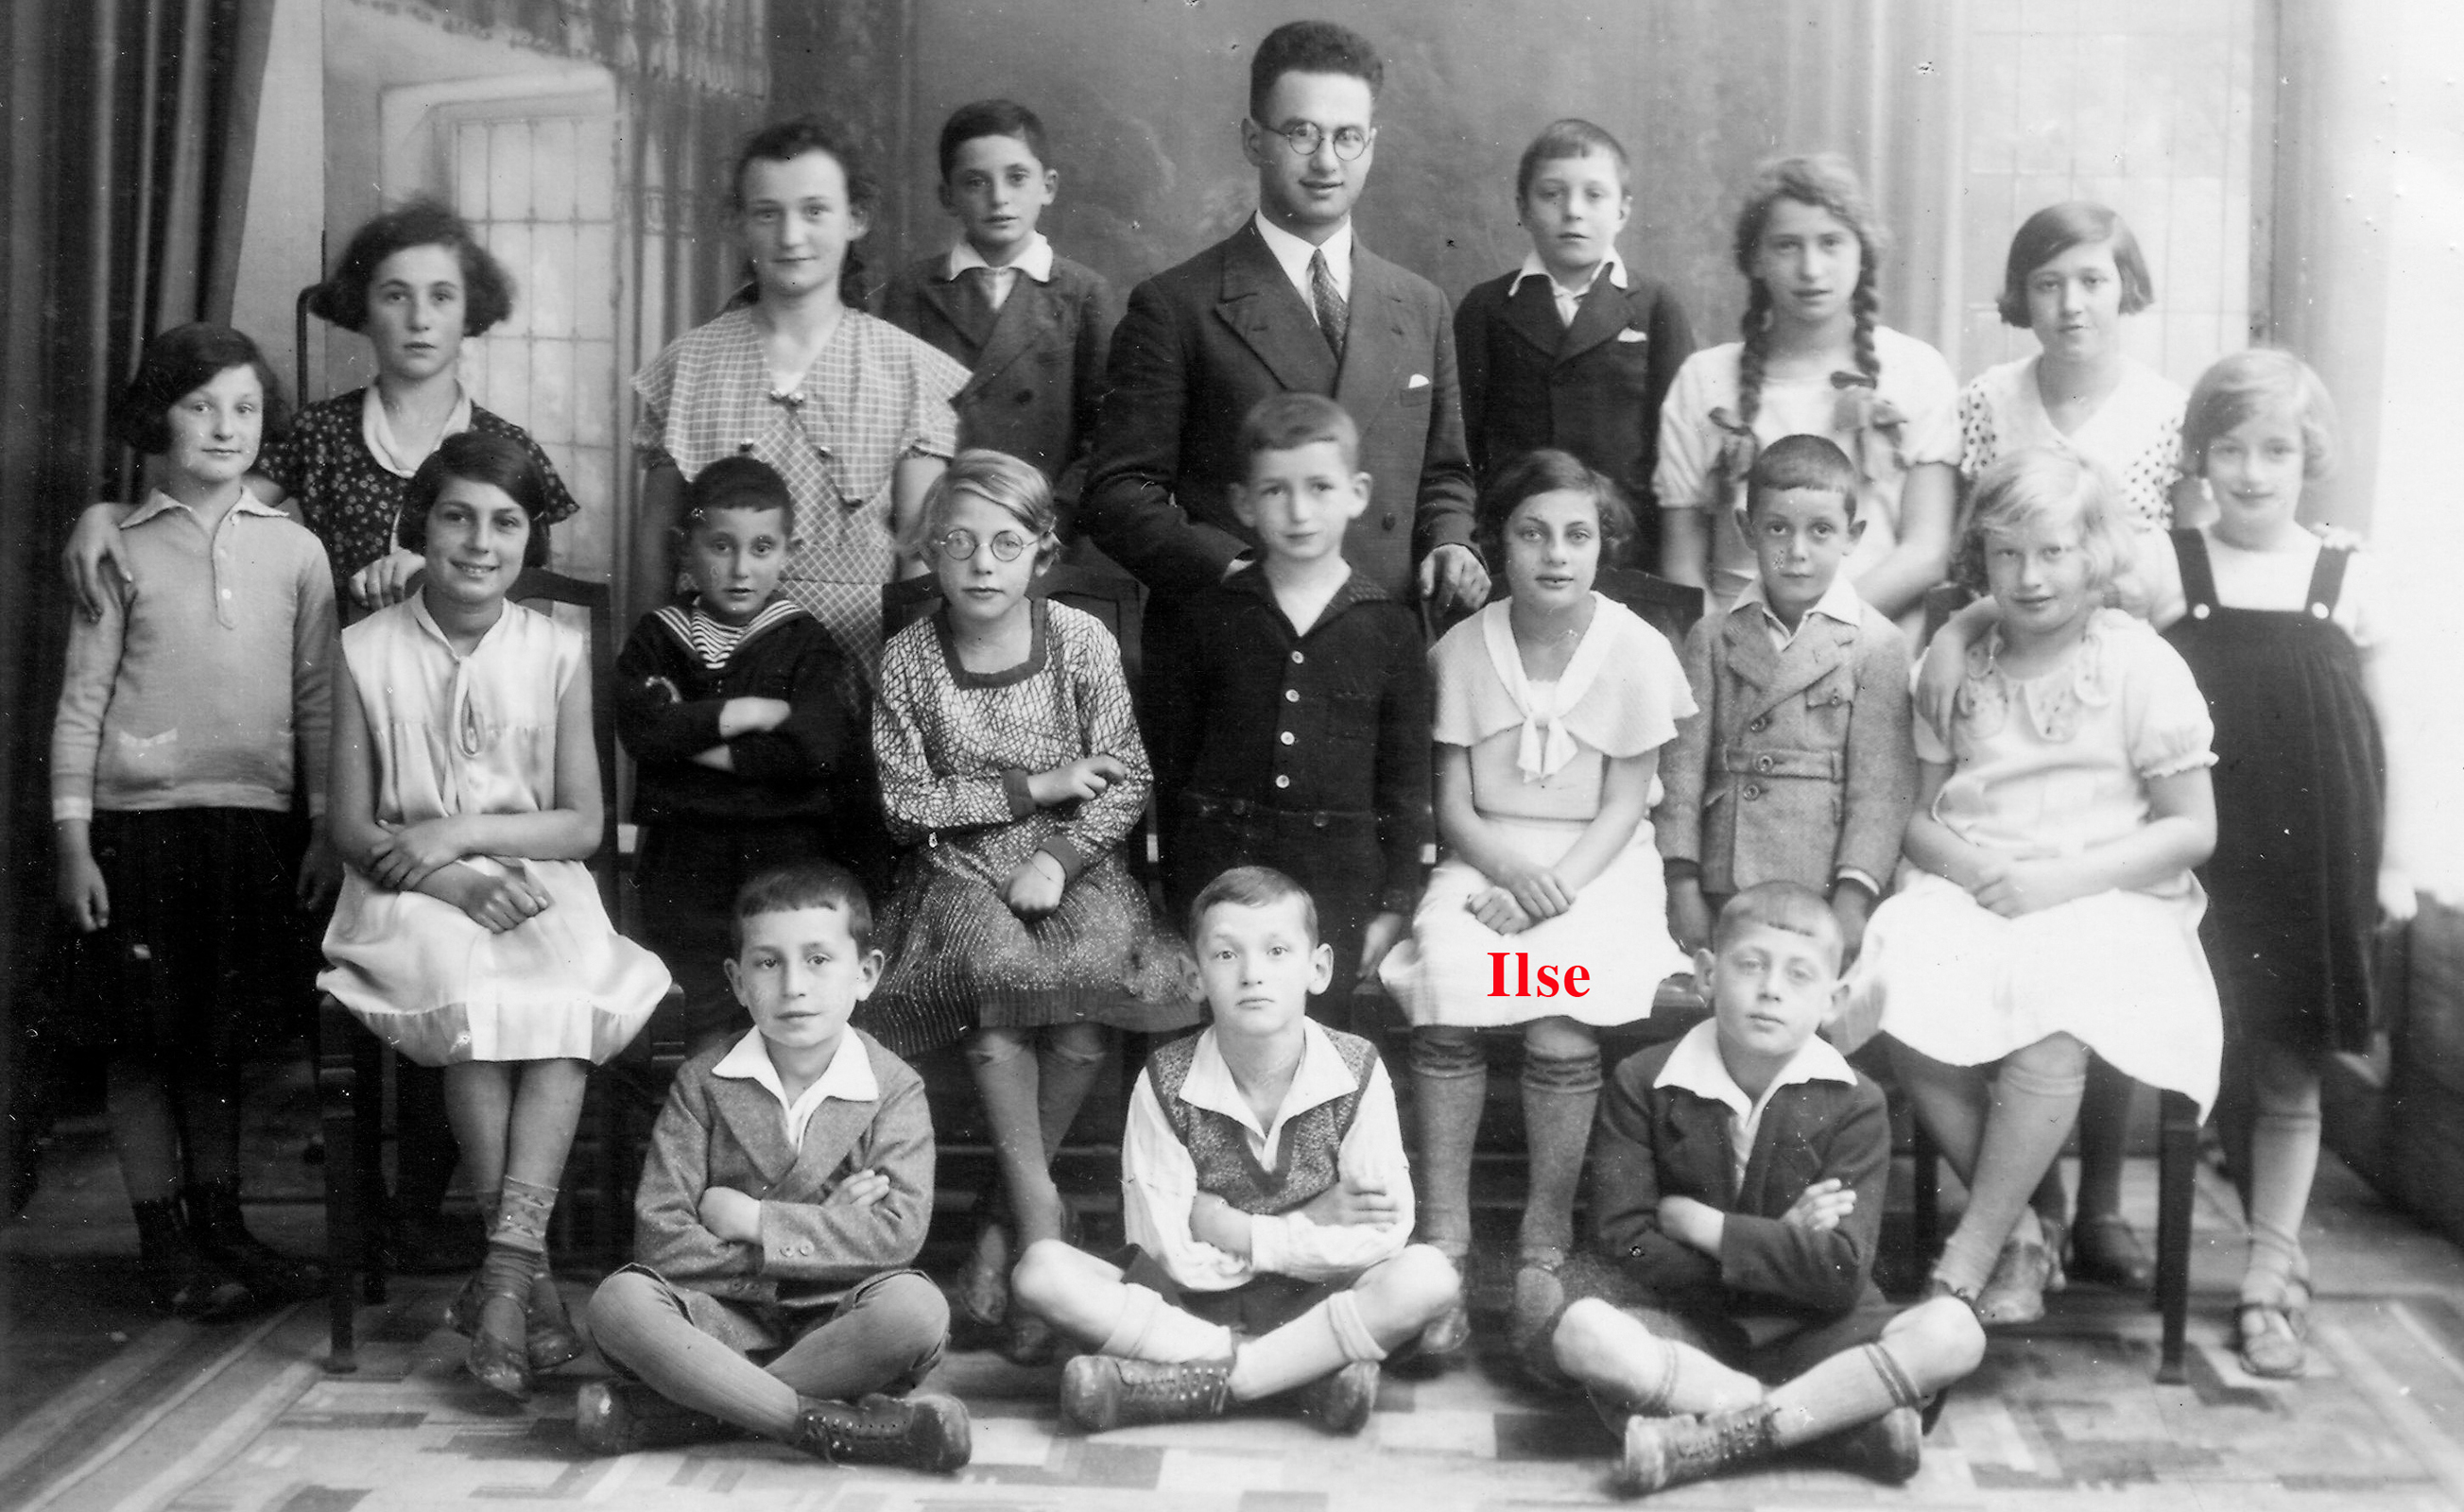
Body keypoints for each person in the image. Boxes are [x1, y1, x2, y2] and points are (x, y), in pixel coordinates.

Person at [60, 199, 581, 1276]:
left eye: (442, 294)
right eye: (394, 293)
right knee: (217, 1011)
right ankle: (287, 1217)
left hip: (466, 762)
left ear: (471, 307)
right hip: (336, 754)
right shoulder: (312, 437)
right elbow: (205, 499)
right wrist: (102, 513)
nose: (420, 317)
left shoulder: (506, 453)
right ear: (362, 311)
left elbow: (536, 611)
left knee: (473, 967)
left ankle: (434, 1207)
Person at [319, 431, 670, 1399]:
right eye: (457, 516)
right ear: (419, 524)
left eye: (505, 522)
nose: (479, 541)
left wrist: (465, 831)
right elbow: (352, 822)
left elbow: (583, 821)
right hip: (407, 892)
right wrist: (447, 875)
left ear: (530, 540)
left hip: (533, 874)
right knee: (474, 999)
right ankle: (527, 1283)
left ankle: (506, 1277)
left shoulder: (555, 649)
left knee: (561, 994)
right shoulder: (363, 649)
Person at [1849, 447, 2221, 1326]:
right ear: (1983, 559)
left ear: (2093, 554)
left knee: (2057, 1009)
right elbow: (1916, 814)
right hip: (1980, 882)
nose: (2029, 577)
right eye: (2008, 554)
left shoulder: (2138, 665)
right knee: (1893, 978)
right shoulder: (1960, 664)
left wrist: (2056, 884)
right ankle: (2020, 1223)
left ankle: (1972, 1255)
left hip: (2107, 893)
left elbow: (2190, 831)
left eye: (2053, 553)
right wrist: (1972, 869)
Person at [859, 450, 1199, 1361]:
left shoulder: (1080, 643)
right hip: (956, 872)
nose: (980, 563)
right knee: (998, 977)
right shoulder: (906, 660)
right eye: (958, 543)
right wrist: (1033, 787)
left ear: (1041, 554)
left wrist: (1060, 852)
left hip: (1077, 865)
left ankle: (1002, 1227)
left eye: (1005, 544)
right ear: (926, 550)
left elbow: (1124, 779)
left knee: (1088, 982)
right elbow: (904, 806)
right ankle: (1042, 1225)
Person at [1377, 449, 1695, 1369]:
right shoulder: (1465, 648)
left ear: (1604, 543)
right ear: (1498, 543)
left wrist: (1554, 888)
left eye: (1577, 534)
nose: (1555, 553)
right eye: (1531, 533)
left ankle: (1543, 1241)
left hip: (1600, 868)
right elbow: (1455, 803)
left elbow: (1626, 802)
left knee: (1562, 1010)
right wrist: (1511, 871)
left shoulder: (1637, 648)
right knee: (1449, 979)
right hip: (1489, 856)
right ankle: (1444, 1236)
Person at [50, 323, 337, 1318]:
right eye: (201, 404)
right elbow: (82, 703)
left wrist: (323, 828)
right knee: (140, 1044)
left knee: (218, 1043)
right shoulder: (118, 547)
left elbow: (316, 702)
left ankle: (225, 1227)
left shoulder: (298, 553)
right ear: (157, 417)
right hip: (137, 831)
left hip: (251, 828)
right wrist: (75, 842)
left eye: (247, 407)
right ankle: (163, 1237)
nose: (226, 425)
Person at [1946, 201, 2204, 1297]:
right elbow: (1970, 553)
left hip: (2127, 671)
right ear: (2024, 297)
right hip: (2010, 669)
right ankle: (2030, 1206)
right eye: (2049, 283)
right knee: (2010, 949)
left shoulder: (2165, 410)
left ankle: (2096, 1205)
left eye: (2093, 280)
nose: (2072, 304)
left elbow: (2185, 571)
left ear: (2125, 285)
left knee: (2098, 955)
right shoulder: (1987, 402)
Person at [1548, 884, 1986, 1496]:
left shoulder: (1854, 1101)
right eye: (1749, 964)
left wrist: (1706, 1227)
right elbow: (1624, 1240)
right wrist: (1782, 1244)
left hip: (1819, 1331)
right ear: (1706, 974)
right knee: (1584, 1332)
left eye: (1798, 975)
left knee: (1954, 1330)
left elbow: (1839, 1272)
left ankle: (1720, 1433)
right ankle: (1824, 1424)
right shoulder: (1643, 1080)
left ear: (1832, 1000)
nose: (1771, 989)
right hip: (1692, 1326)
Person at [1010, 867, 1461, 1434]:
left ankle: (1212, 1379)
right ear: (1196, 976)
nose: (1253, 975)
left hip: (1317, 1298)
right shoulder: (1165, 1082)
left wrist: (1240, 1232)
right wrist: (1311, 1220)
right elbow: (1167, 1249)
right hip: (1192, 1306)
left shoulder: (1357, 1069)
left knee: (1428, 1275)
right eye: (1226, 956)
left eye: (1276, 951)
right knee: (1041, 1270)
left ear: (1317, 969)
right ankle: (1297, 1373)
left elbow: (1382, 1233)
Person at [1079, 18, 1485, 635]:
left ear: (1371, 144)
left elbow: (1443, 477)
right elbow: (1118, 494)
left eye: (1347, 137)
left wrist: (1448, 544)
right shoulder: (1175, 305)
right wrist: (1238, 572)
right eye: (1301, 133)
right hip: (1234, 643)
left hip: (1379, 644)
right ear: (1252, 140)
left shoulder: (1421, 305)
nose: (1326, 161)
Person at [577, 864, 971, 1471]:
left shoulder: (892, 1088)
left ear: (865, 974)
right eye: (768, 963)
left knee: (916, 1310)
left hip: (837, 1320)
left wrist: (758, 1222)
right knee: (618, 1301)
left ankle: (688, 1408)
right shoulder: (704, 1083)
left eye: (818, 960)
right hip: (719, 1320)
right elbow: (661, 1237)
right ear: (737, 981)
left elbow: (897, 1235)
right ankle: (820, 1424)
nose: (793, 986)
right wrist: (824, 1232)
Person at [629, 115, 968, 679]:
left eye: (814, 211)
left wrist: (909, 693)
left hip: (855, 667)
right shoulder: (687, 365)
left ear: (855, 218)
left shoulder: (907, 369)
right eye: (768, 212)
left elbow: (918, 556)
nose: (790, 236)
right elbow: (654, 546)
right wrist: (645, 672)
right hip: (707, 667)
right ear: (740, 222)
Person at [1150, 394, 1430, 1025]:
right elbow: (1171, 765)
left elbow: (1405, 781)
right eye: (1275, 491)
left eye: (1319, 487)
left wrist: (1393, 905)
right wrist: (1179, 897)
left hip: (1336, 880)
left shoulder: (1388, 628)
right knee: (1225, 1021)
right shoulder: (1209, 616)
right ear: (1245, 504)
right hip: (1219, 864)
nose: (1299, 511)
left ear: (1356, 493)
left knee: (1319, 1033)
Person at [615, 456, 862, 1055]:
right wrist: (749, 714)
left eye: (761, 548)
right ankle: (712, 1120)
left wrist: (689, 739)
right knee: (705, 1002)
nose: (740, 568)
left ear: (789, 551)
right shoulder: (659, 637)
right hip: (685, 857)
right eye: (721, 546)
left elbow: (817, 751)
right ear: (686, 547)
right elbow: (641, 729)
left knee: (786, 997)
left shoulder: (806, 642)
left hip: (786, 853)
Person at [1654, 154, 1958, 626]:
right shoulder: (1703, 380)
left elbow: (1926, 549)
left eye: (1831, 243)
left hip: (1874, 630)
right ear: (1755, 259)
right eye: (1787, 246)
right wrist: (1731, 650)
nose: (1811, 268)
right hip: (1736, 638)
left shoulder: (1916, 370)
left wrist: (1822, 631)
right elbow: (1683, 562)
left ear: (1864, 251)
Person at [1657, 434, 1915, 960]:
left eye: (1820, 531)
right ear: (1746, 530)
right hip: (1725, 877)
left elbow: (1881, 793)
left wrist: (1853, 898)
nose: (1797, 552)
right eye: (1778, 528)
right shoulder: (1712, 637)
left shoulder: (1877, 645)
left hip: (1821, 880)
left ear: (1853, 535)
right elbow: (1680, 775)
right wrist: (1682, 883)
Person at [1454, 118, 1694, 565]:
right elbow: (1462, 442)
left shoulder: (1656, 307)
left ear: (1623, 210)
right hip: (1518, 545)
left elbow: (1678, 447)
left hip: (1626, 546)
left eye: (1594, 195)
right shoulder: (1486, 309)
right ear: (1522, 208)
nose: (1573, 211)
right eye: (1551, 194)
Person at [873, 98, 1116, 539]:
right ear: (947, 196)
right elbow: (891, 427)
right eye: (975, 182)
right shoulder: (913, 291)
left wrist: (1048, 522)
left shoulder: (1083, 293)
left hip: (1044, 533)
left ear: (1048, 186)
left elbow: (1103, 436)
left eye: (1017, 178)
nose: (999, 198)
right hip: (941, 534)